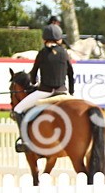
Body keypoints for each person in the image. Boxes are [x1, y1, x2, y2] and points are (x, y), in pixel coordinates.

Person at [13, 24, 75, 152]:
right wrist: (71, 92)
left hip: (45, 92)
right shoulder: (64, 53)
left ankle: (25, 142)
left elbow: (33, 73)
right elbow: (71, 74)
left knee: (18, 109)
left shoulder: (42, 53)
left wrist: (33, 82)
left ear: (44, 39)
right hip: (63, 91)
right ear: (59, 39)